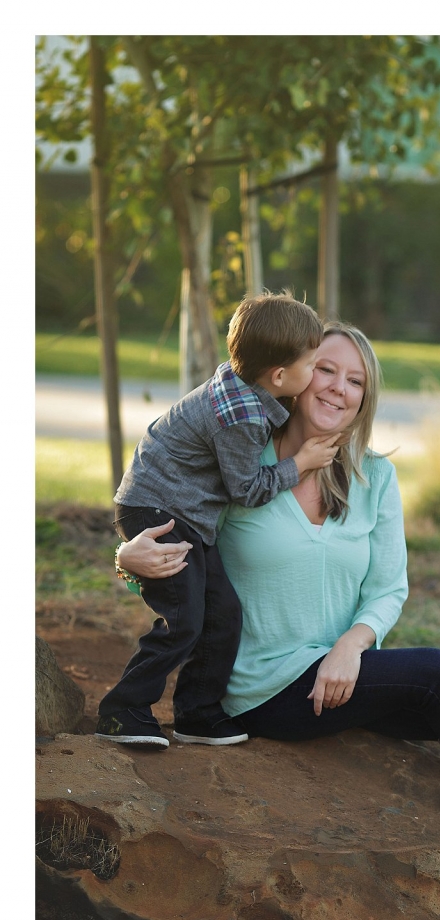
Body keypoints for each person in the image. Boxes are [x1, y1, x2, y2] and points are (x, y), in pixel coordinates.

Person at [116, 321, 440, 891]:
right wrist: (127, 559)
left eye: (354, 380)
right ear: (292, 376)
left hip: (336, 677)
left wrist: (350, 647)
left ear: (366, 397)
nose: (337, 388)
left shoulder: (374, 476)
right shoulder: (240, 461)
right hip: (260, 685)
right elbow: (167, 532)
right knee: (435, 672)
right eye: (325, 370)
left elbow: (388, 588)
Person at [96, 290, 346, 749]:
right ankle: (122, 709)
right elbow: (246, 489)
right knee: (184, 618)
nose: (314, 376)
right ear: (279, 375)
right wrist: (302, 462)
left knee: (224, 614)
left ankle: (197, 713)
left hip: (186, 513)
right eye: (312, 366)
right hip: (160, 511)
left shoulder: (245, 385)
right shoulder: (242, 417)